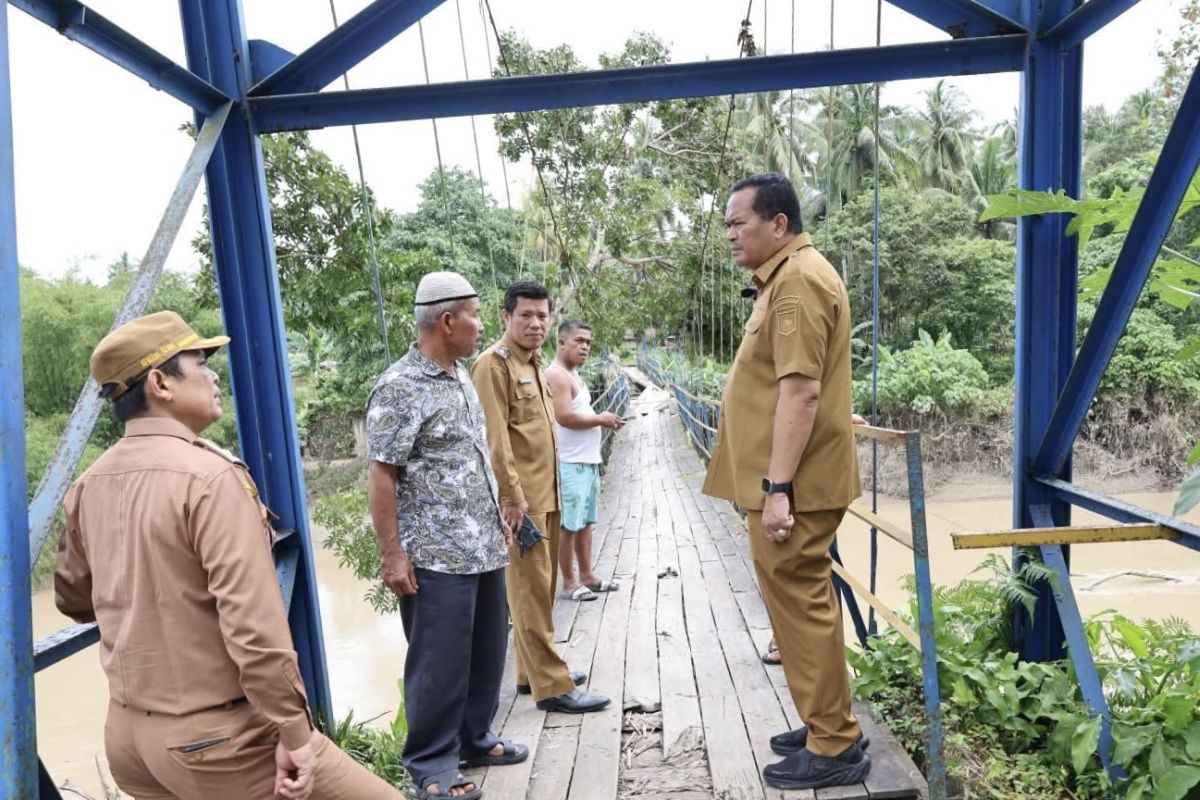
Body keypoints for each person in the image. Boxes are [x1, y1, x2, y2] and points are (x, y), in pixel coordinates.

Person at [54, 310, 402, 800]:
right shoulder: (210, 478)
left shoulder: (88, 486)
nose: (214, 373)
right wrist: (294, 733)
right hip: (217, 743)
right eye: (199, 361)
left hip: (130, 743)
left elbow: (74, 600)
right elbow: (254, 626)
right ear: (160, 382)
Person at [702, 173, 872, 790]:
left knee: (801, 607)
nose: (729, 235)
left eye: (737, 222)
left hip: (794, 487)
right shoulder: (789, 278)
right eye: (726, 225)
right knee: (803, 606)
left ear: (778, 224)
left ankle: (835, 745)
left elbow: (799, 393)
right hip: (795, 481)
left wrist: (777, 490)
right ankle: (824, 720)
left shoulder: (797, 282)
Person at [366, 272, 529, 800]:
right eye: (477, 315)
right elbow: (382, 476)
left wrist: (506, 501)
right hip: (435, 555)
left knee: (487, 651)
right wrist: (392, 555)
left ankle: (474, 738)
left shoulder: (458, 375)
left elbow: (471, 457)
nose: (483, 326)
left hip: (481, 544)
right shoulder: (399, 388)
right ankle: (432, 766)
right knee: (438, 663)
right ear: (447, 320)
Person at [471, 281, 609, 713]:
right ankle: (553, 686)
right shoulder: (492, 366)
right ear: (505, 317)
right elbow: (496, 440)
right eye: (526, 315)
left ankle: (531, 672)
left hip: (547, 495)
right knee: (529, 591)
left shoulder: (532, 365)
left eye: (542, 316)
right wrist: (512, 499)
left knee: (543, 588)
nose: (535, 323)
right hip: (521, 504)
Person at [545, 319, 623, 602]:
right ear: (562, 341)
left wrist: (600, 420)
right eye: (579, 341)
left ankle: (588, 576)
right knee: (569, 525)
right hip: (569, 464)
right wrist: (600, 418)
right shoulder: (556, 375)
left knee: (586, 521)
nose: (585, 347)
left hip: (588, 461)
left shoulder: (574, 374)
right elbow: (563, 417)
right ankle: (569, 583)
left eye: (588, 342)